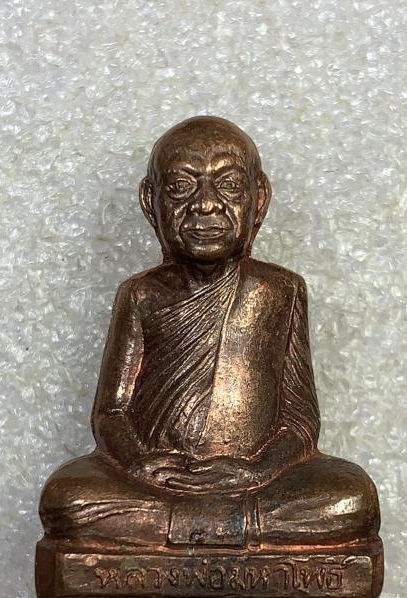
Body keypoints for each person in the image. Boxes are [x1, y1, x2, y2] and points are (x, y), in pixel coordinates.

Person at [39, 116, 380, 549]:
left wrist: (258, 470)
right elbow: (111, 412)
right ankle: (235, 528)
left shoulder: (280, 290)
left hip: (255, 480)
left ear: (259, 199)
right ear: (150, 203)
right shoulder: (141, 294)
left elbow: (299, 419)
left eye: (229, 186)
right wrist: (140, 463)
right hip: (159, 482)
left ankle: (196, 527)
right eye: (181, 187)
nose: (205, 205)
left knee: (351, 498)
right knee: (67, 500)